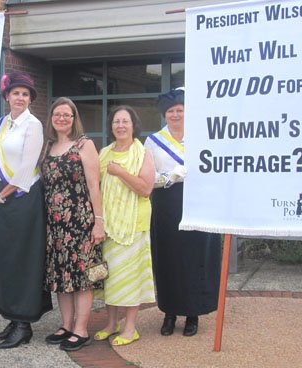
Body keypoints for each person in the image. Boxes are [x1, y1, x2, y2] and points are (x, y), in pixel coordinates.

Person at [144, 88, 221, 337]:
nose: (175, 114)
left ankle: (193, 314)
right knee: (168, 259)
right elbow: (147, 178)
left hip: (198, 203)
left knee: (194, 258)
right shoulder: (153, 141)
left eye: (180, 110)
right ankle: (169, 313)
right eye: (171, 111)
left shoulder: (202, 137)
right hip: (167, 204)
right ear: (164, 114)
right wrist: (169, 176)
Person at [0, 71, 52, 349]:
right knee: (6, 259)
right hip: (3, 200)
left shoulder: (34, 125)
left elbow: (27, 169)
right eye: (16, 93)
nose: (20, 98)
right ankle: (12, 317)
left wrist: (0, 196)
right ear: (7, 96)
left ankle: (24, 323)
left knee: (23, 259)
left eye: (25, 94)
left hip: (22, 198)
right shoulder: (1, 124)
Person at [41, 97, 105, 352]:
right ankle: (66, 325)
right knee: (60, 275)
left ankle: (81, 328)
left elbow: (93, 186)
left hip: (80, 221)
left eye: (67, 115)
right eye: (57, 114)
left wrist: (98, 222)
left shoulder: (84, 144)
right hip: (54, 223)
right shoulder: (47, 146)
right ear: (51, 118)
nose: (62, 119)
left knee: (81, 276)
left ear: (74, 118)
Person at [93, 105, 156, 346]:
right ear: (111, 126)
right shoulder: (104, 152)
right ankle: (111, 324)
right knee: (109, 277)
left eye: (125, 121)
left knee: (130, 277)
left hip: (134, 225)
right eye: (116, 121)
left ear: (133, 125)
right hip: (108, 225)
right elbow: (95, 186)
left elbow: (145, 188)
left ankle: (130, 328)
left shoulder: (143, 153)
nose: (120, 125)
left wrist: (119, 172)